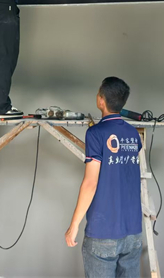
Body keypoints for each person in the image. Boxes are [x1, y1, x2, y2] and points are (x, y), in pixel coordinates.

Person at [65, 77, 143, 278]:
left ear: (101, 100)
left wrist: (74, 225)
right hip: (133, 232)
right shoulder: (134, 135)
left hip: (103, 232)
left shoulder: (95, 133)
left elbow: (90, 183)